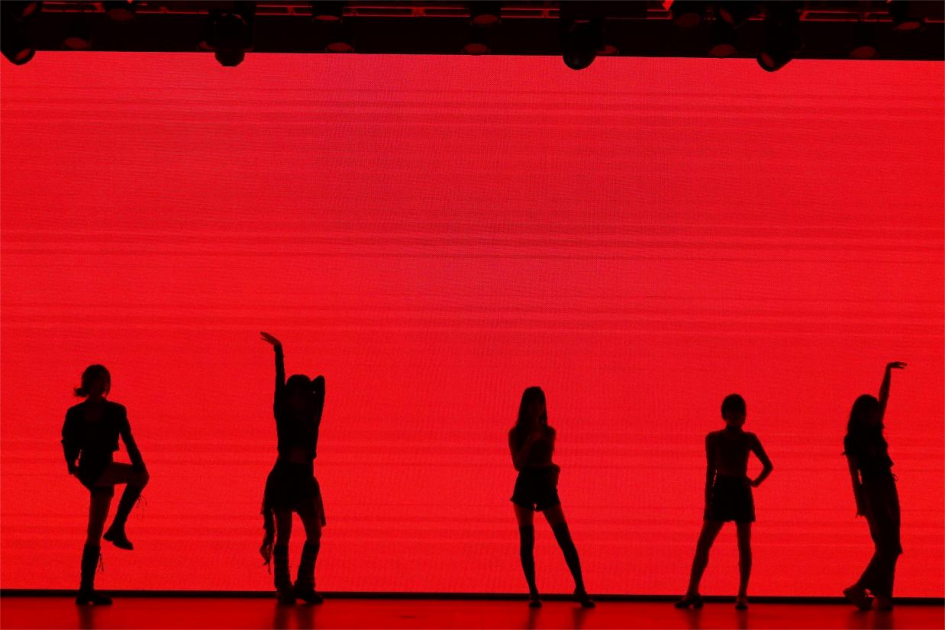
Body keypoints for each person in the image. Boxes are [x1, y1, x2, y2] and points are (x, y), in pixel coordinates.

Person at [61, 365, 150, 605]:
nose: (101, 385)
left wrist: (139, 463)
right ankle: (118, 527)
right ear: (87, 383)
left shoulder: (116, 411)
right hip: (91, 468)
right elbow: (67, 441)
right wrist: (72, 467)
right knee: (141, 477)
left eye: (105, 380)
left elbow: (128, 439)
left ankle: (85, 590)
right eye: (97, 380)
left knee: (94, 531)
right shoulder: (75, 413)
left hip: (104, 468)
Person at [675, 394, 773, 610]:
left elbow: (768, 465)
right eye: (731, 411)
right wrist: (707, 498)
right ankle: (692, 591)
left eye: (738, 412)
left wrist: (755, 482)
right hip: (722, 490)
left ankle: (741, 594)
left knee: (743, 545)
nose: (735, 416)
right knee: (705, 543)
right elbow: (710, 469)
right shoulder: (714, 438)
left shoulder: (747, 438)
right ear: (725, 414)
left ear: (743, 416)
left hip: (738, 490)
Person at [509, 386, 595, 609]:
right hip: (526, 483)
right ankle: (533, 592)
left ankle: (580, 588)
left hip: (545, 484)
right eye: (533, 402)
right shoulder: (516, 433)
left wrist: (555, 471)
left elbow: (547, 460)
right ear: (526, 405)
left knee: (564, 537)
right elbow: (518, 464)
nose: (537, 407)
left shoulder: (549, 432)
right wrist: (531, 440)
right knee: (527, 540)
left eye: (541, 402)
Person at [259, 332, 327, 605]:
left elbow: (321, 383)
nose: (299, 398)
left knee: (315, 533)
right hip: (284, 480)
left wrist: (307, 387)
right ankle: (284, 586)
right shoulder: (283, 414)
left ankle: (304, 584)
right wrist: (279, 351)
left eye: (303, 393)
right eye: (294, 393)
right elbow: (279, 385)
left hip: (305, 481)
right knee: (284, 533)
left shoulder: (312, 417)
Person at [843, 362, 906, 612]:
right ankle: (860, 587)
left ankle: (883, 594)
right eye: (869, 413)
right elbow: (853, 473)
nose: (874, 416)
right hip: (872, 489)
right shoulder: (853, 439)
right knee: (888, 543)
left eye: (874, 412)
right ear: (860, 414)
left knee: (890, 543)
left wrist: (887, 372)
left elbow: (884, 397)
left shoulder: (876, 429)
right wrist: (859, 501)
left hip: (888, 484)